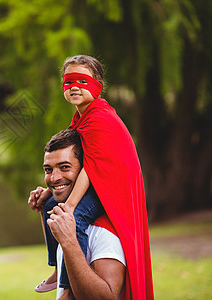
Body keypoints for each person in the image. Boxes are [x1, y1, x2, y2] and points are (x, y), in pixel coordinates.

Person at [31, 55, 154, 299]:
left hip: (110, 186)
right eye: (68, 81)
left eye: (82, 80)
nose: (74, 86)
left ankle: (66, 289)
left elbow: (90, 167)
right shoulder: (81, 118)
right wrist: (50, 192)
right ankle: (57, 269)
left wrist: (71, 205)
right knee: (50, 205)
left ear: (97, 84)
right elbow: (69, 160)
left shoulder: (100, 118)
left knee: (71, 217)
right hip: (98, 182)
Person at [29, 130, 126, 300]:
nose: (54, 178)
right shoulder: (65, 223)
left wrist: (69, 241)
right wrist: (46, 200)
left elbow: (107, 298)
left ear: (85, 172)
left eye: (65, 167)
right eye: (48, 170)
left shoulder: (104, 233)